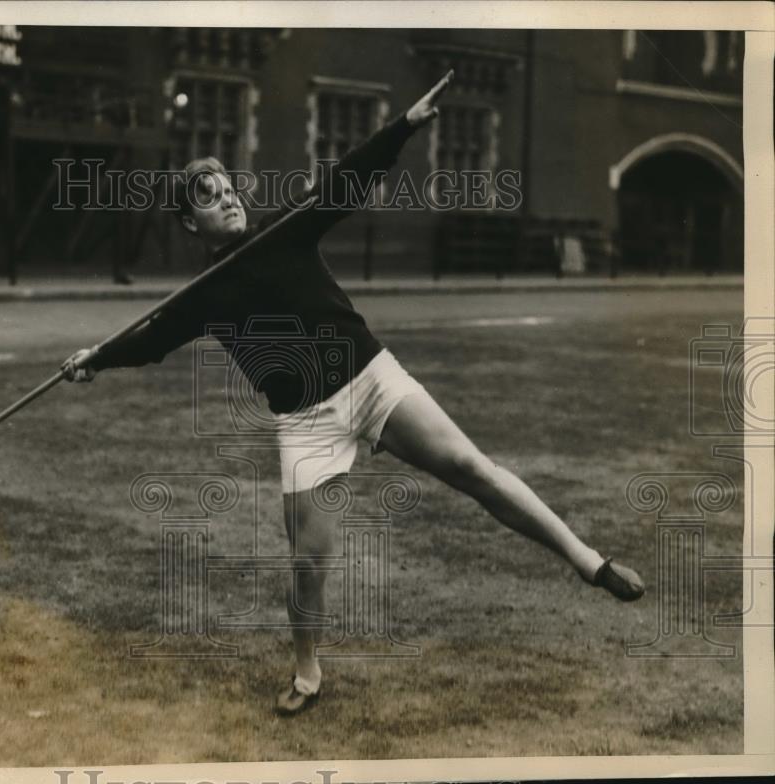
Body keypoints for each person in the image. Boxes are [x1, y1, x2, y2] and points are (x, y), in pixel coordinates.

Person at [61, 72, 645, 717]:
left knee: (472, 468)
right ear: (188, 222)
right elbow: (149, 340)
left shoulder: (284, 230)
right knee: (309, 558)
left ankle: (590, 561)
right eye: (208, 198)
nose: (226, 200)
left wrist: (403, 127)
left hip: (370, 379)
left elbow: (344, 181)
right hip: (306, 421)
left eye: (228, 189)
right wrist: (95, 359)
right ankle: (307, 670)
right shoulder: (199, 298)